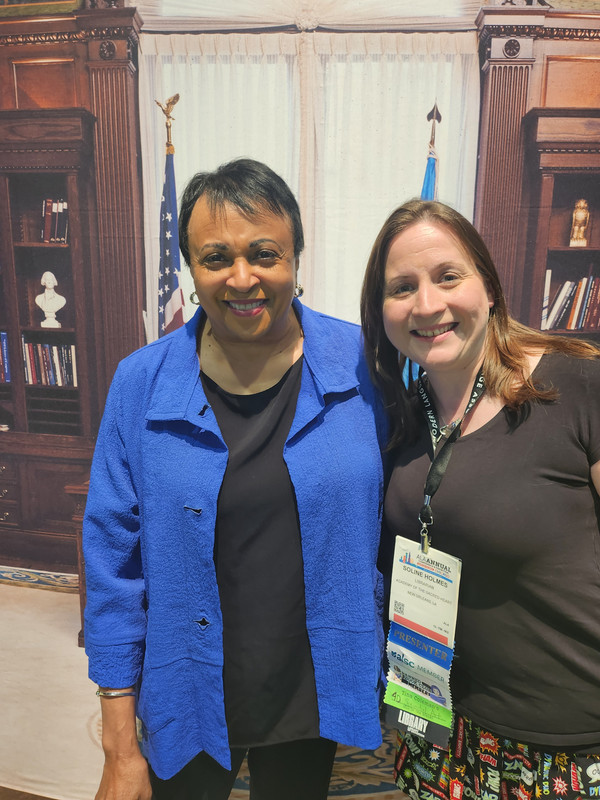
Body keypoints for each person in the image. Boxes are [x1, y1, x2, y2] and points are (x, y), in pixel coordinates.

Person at [83, 158, 387, 800]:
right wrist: (118, 745)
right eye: (216, 256)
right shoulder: (140, 384)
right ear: (191, 269)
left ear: (297, 259)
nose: (242, 277)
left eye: (265, 253)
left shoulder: (365, 366)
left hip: (310, 686)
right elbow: (113, 563)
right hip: (186, 687)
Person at [360, 198, 600, 800]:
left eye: (447, 276)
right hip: (439, 733)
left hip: (569, 749)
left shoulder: (576, 389)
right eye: (401, 287)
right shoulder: (400, 420)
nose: (427, 305)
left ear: (489, 287)